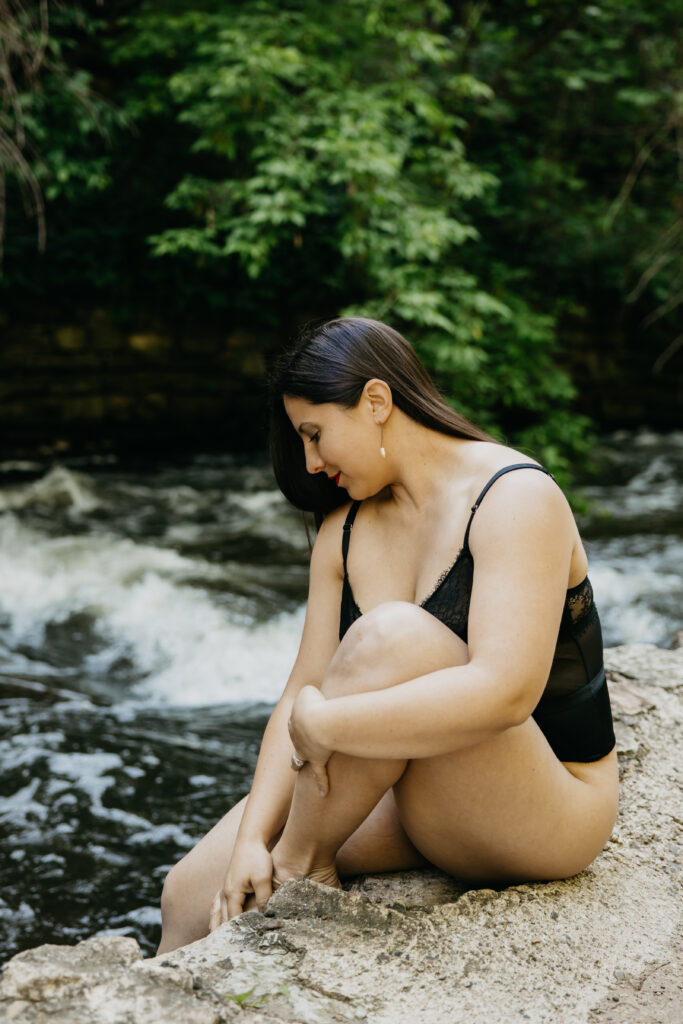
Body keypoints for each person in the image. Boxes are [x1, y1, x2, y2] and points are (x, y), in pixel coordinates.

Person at [157, 317, 618, 954]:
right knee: (188, 892)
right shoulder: (341, 531)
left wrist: (332, 728)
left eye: (315, 435)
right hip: (419, 795)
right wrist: (247, 843)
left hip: (549, 805)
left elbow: (507, 690)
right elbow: (300, 694)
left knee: (394, 637)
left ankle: (299, 868)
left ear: (376, 402)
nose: (312, 462)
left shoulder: (515, 497)